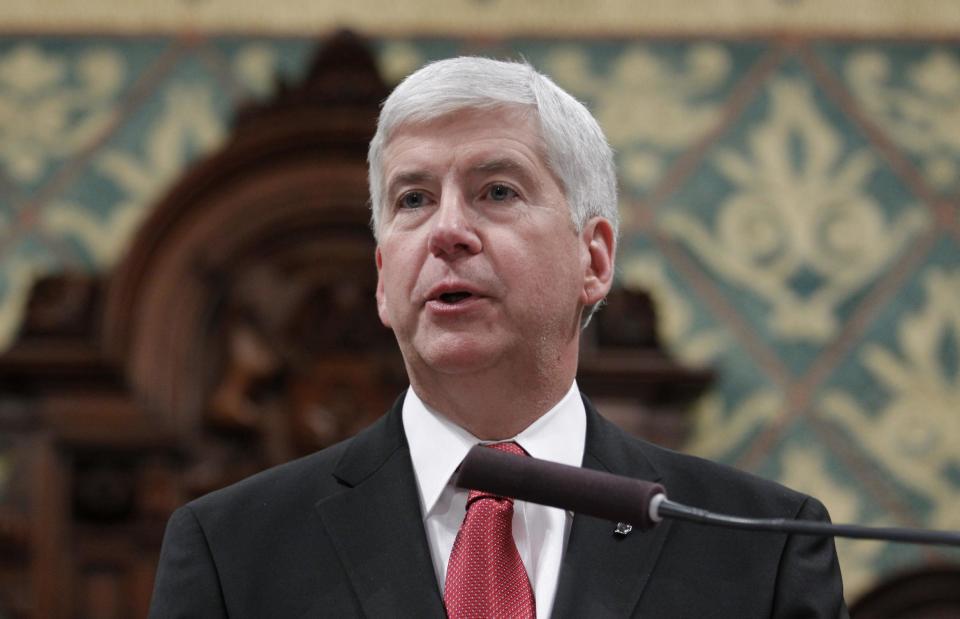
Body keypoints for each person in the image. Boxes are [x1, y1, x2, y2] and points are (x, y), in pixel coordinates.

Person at [149, 57, 847, 618]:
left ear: (594, 259)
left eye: (498, 191)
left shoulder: (759, 546)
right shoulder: (233, 549)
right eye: (413, 199)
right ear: (384, 275)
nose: (447, 229)